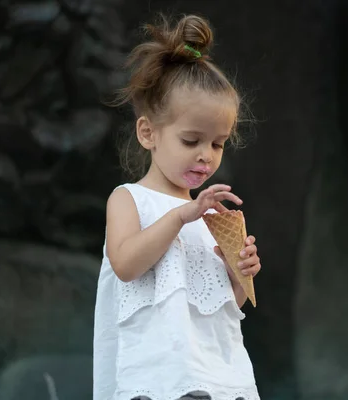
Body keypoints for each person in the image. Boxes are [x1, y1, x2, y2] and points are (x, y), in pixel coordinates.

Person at [92, 13, 262, 400]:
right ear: (148, 132)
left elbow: (218, 306)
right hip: (158, 377)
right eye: (191, 141)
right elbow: (127, 265)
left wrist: (239, 276)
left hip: (217, 373)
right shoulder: (129, 199)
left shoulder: (211, 215)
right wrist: (182, 216)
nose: (206, 156)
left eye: (217, 144)